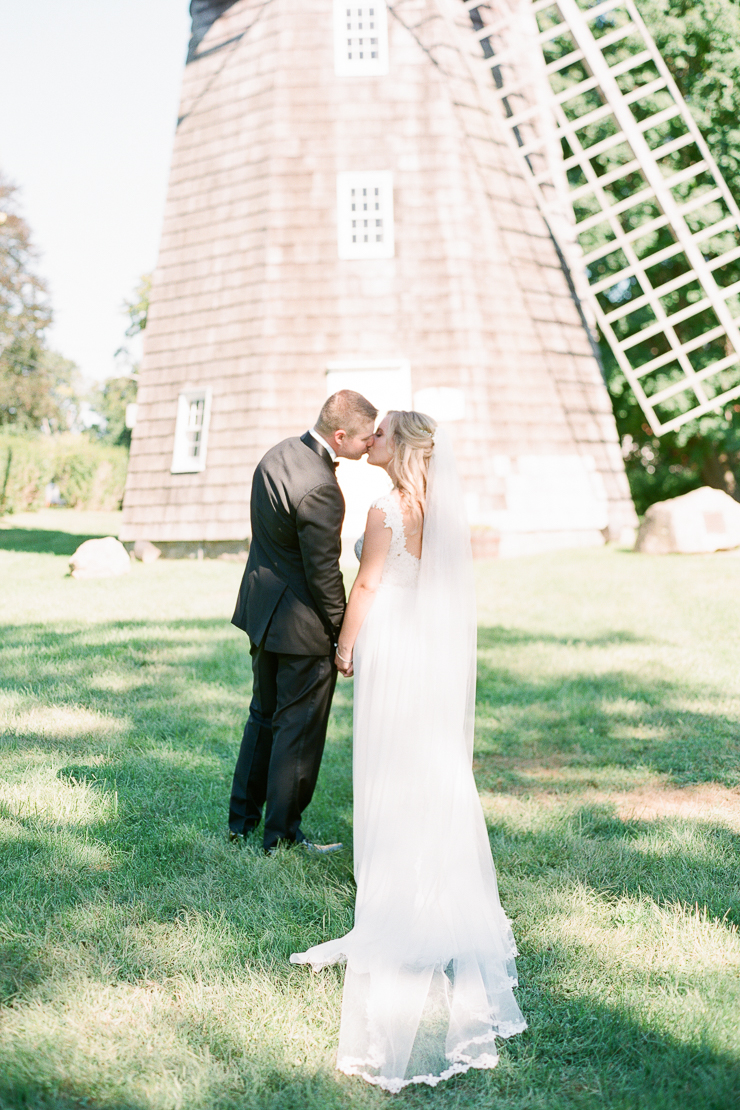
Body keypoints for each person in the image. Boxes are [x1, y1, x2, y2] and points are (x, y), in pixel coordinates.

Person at [291, 411, 526, 1091]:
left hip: (392, 642)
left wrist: (344, 646)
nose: (373, 438)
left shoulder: (385, 506)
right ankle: (431, 869)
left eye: (384, 432)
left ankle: (394, 881)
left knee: (389, 762)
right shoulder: (440, 509)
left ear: (404, 448)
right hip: (430, 649)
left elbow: (366, 584)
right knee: (428, 761)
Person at [229, 390, 378, 855]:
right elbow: (324, 574)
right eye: (366, 437)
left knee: (262, 718)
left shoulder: (276, 455)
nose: (371, 444)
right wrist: (340, 633)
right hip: (302, 628)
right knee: (299, 729)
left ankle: (241, 823)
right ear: (340, 436)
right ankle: (283, 837)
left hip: (262, 611)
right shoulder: (323, 489)